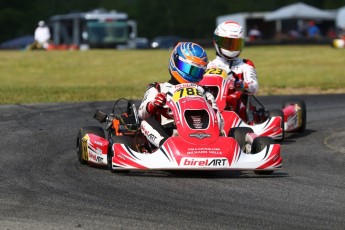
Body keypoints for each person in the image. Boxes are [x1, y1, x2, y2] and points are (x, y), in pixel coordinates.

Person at [138, 42, 224, 149]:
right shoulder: (158, 88)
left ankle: (213, 145)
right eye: (189, 69)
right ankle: (167, 148)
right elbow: (141, 113)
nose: (191, 74)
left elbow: (220, 122)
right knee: (146, 121)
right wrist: (153, 105)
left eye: (196, 72)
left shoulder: (204, 92)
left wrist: (211, 109)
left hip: (202, 133)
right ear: (176, 62)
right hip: (167, 134)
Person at [207, 20, 258, 122]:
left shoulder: (245, 65)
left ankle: (246, 122)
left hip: (238, 106)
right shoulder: (208, 66)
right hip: (213, 104)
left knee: (237, 98)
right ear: (216, 41)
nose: (231, 48)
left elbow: (254, 87)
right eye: (228, 43)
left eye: (235, 44)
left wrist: (241, 85)